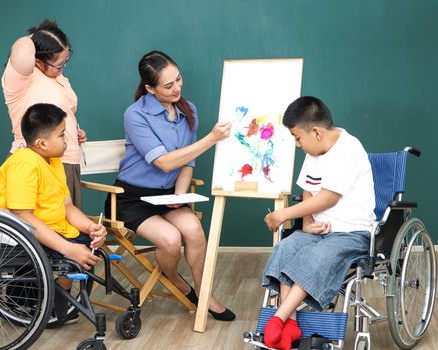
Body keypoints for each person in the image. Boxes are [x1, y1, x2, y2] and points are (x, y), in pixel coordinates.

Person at [105, 50, 235, 321]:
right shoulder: (135, 114)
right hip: (131, 199)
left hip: (168, 195)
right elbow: (164, 162)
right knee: (171, 240)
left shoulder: (188, 110)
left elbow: (188, 161)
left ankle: (203, 291)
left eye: (178, 80)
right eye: (168, 85)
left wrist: (180, 194)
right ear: (150, 88)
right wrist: (212, 138)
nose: (176, 88)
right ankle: (174, 280)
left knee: (194, 230)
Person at [261, 96, 375, 349]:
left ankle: (278, 319)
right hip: (320, 230)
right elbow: (309, 190)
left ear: (316, 132)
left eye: (297, 137)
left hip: (351, 232)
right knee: (286, 247)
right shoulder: (315, 149)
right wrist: (307, 221)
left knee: (317, 256)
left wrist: (283, 215)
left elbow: (328, 198)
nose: (297, 144)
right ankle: (290, 324)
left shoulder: (349, 149)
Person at [0, 103, 106, 323]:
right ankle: (54, 303)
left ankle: (56, 301)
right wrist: (68, 248)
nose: (68, 140)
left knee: (89, 243)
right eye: (62, 135)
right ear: (42, 143)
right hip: (24, 235)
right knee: (78, 251)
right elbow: (23, 216)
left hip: (54, 228)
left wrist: (90, 226)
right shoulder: (24, 164)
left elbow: (67, 207)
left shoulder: (53, 162)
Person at [1, 19, 86, 209]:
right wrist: (42, 36)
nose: (63, 66)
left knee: (68, 226)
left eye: (66, 59)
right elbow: (22, 48)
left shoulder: (58, 77)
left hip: (67, 161)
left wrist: (73, 130)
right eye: (59, 64)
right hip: (37, 162)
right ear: (38, 61)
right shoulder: (22, 78)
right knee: (44, 228)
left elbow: (63, 113)